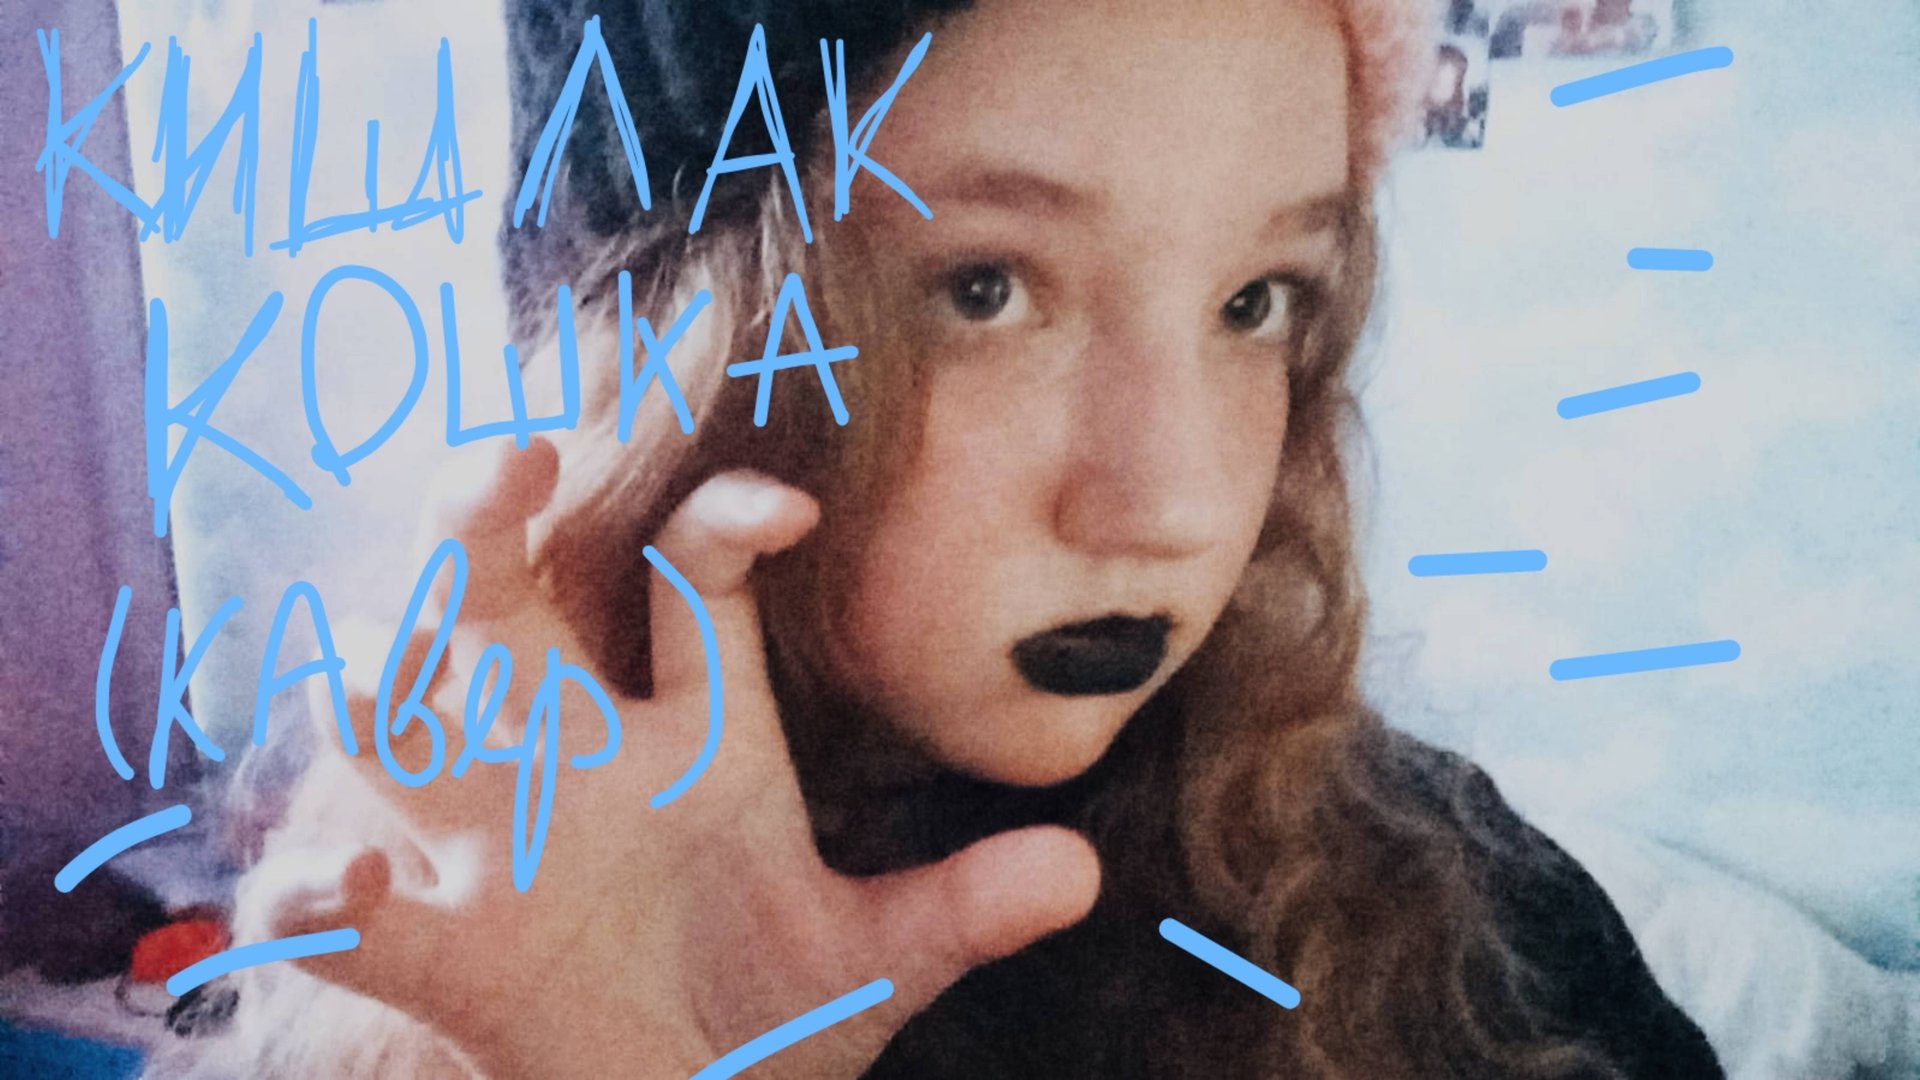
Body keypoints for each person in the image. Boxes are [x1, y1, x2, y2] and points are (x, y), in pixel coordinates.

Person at [151, 1, 1726, 1076]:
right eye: (986, 290)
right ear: (677, 352)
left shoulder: (1461, 907)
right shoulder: (444, 956)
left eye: (1257, 302)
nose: (1172, 504)